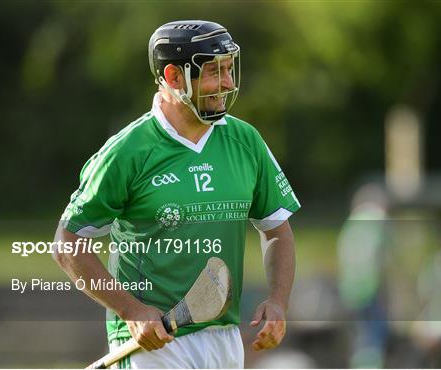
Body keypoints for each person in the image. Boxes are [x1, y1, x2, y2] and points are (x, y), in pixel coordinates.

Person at [53, 20, 300, 368]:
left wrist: (277, 301)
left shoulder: (246, 142)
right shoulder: (129, 151)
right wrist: (132, 311)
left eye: (229, 69)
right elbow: (68, 242)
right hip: (154, 345)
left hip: (225, 340)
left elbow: (277, 233)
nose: (227, 83)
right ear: (173, 78)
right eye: (214, 72)